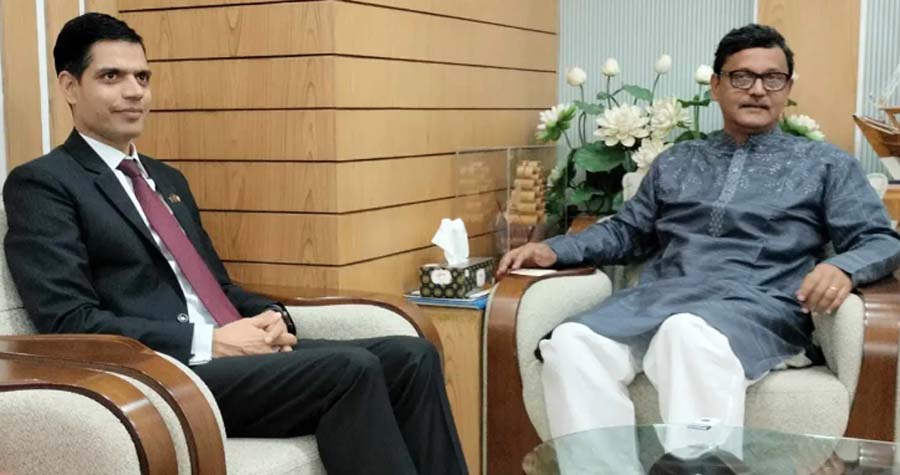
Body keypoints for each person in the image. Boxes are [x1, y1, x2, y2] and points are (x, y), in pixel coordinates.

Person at [3, 13, 466, 475]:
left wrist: (272, 317)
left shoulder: (166, 180)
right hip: (165, 371)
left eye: (142, 77)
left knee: (411, 356)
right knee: (352, 368)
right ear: (69, 86)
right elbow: (70, 322)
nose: (134, 91)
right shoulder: (43, 184)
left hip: (230, 352)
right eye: (111, 77)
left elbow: (215, 287)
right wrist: (209, 341)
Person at [497, 24, 900, 444]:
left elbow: (881, 239)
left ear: (787, 89)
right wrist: (554, 250)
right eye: (742, 77)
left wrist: (842, 268)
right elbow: (627, 231)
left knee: (686, 334)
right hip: (659, 299)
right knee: (571, 343)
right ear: (716, 86)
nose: (758, 90)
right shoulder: (678, 160)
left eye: (772, 78)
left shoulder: (826, 165)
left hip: (758, 308)